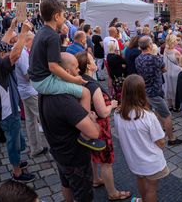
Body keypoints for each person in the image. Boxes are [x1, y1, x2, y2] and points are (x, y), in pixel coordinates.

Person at [27, 0, 100, 151]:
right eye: (63, 15)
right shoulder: (53, 35)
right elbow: (53, 66)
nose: (65, 19)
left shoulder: (41, 31)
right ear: (56, 16)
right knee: (85, 92)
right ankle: (85, 134)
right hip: (44, 81)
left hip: (37, 79)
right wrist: (74, 79)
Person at [39, 52, 102, 202]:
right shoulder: (64, 100)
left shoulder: (48, 90)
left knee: (66, 184)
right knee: (83, 194)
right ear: (66, 72)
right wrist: (92, 119)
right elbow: (93, 133)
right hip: (75, 157)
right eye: (75, 67)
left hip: (60, 152)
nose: (79, 70)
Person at [0, 21, 36, 182]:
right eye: (7, 53)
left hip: (7, 110)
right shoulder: (0, 66)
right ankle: (17, 172)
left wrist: (12, 28)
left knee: (18, 138)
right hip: (7, 112)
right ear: (4, 56)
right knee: (14, 142)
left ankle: (17, 161)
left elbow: (2, 45)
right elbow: (15, 55)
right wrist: (24, 33)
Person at [75, 52, 130, 201]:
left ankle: (95, 178)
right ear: (88, 66)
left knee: (93, 153)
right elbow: (103, 112)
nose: (95, 62)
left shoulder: (80, 80)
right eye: (92, 60)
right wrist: (111, 105)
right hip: (100, 127)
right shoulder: (93, 86)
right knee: (106, 161)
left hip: (88, 125)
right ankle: (112, 193)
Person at [114, 75, 168, 202]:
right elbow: (160, 141)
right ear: (142, 92)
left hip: (133, 159)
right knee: (151, 189)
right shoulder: (147, 116)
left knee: (141, 179)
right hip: (150, 161)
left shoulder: (117, 113)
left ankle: (143, 199)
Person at [135, 36, 182, 145]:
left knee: (155, 112)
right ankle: (171, 138)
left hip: (144, 90)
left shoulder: (137, 59)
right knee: (167, 115)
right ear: (149, 45)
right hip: (155, 91)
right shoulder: (155, 58)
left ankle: (159, 130)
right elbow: (164, 69)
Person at [14, 31, 47, 158]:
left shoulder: (21, 50)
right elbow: (28, 75)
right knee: (43, 118)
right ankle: (54, 147)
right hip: (29, 90)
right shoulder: (22, 53)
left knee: (31, 121)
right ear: (29, 40)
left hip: (25, 90)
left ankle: (35, 148)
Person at [162, 34, 182, 111]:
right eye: (176, 40)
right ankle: (175, 106)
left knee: (168, 88)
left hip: (167, 72)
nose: (177, 41)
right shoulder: (176, 52)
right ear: (173, 42)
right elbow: (180, 63)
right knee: (175, 89)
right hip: (175, 72)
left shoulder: (165, 50)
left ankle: (169, 105)